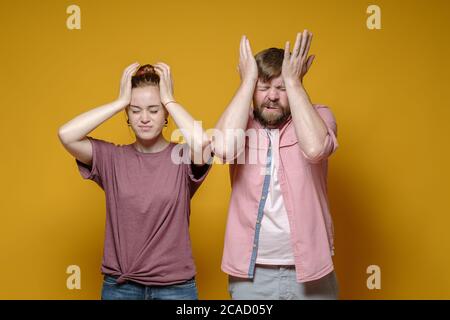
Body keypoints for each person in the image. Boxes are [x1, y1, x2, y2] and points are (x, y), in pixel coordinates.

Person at [58, 62, 212, 300]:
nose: (144, 118)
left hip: (175, 288)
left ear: (166, 114)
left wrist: (169, 99)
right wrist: (119, 101)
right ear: (127, 115)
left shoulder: (183, 156)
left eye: (154, 109)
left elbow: (202, 143)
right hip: (121, 287)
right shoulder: (112, 158)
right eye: (135, 110)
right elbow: (66, 135)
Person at [213, 30, 339, 300]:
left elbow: (316, 148)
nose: (272, 96)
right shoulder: (240, 122)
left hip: (312, 272)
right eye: (263, 87)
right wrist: (247, 81)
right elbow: (222, 148)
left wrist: (294, 84)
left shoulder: (319, 115)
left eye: (280, 88)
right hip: (251, 276)